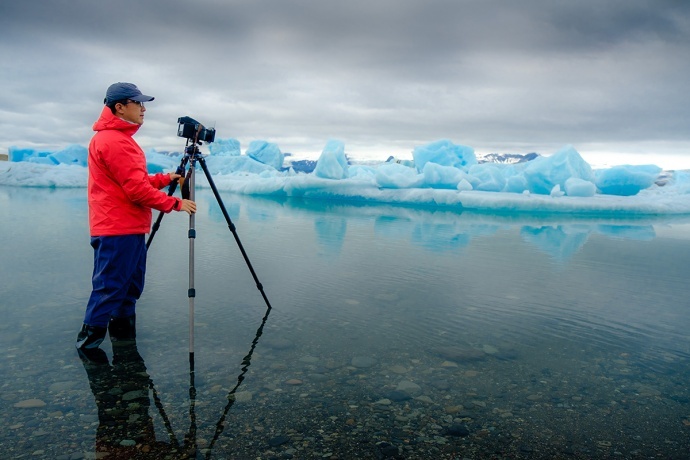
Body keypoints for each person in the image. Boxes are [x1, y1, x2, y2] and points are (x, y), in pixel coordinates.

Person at [76, 82, 196, 355]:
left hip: (123, 227)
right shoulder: (115, 141)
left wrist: (165, 179)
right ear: (120, 107)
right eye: (138, 103)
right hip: (118, 228)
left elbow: (133, 182)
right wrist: (176, 203)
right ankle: (88, 350)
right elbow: (136, 191)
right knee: (109, 289)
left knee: (128, 288)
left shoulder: (116, 138)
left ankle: (123, 345)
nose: (143, 109)